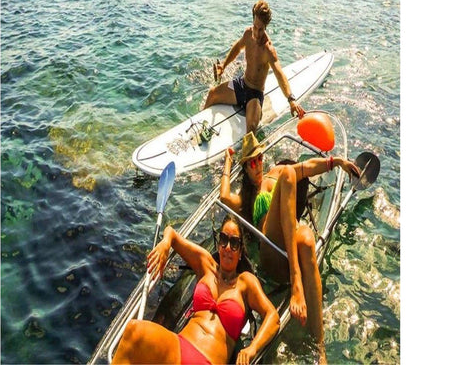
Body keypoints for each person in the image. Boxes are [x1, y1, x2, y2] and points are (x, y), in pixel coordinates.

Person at [219, 132, 361, 364]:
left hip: (293, 246)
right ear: (245, 168)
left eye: (260, 158)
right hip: (272, 252)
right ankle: (297, 283)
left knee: (306, 238)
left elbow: (308, 167)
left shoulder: (275, 173)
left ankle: (320, 349)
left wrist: (337, 162)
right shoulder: (246, 197)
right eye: (251, 163)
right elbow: (224, 197)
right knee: (289, 173)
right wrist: (227, 161)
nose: (258, 165)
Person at [112, 214, 280, 365]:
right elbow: (172, 233)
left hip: (208, 359)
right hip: (180, 345)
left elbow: (273, 317)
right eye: (223, 239)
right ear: (218, 244)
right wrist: (165, 244)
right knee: (133, 330)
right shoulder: (206, 265)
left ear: (241, 251)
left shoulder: (245, 282)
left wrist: (252, 349)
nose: (228, 247)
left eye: (234, 242)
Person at [203, 0, 305, 135]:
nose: (256, 33)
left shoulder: (268, 50)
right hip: (241, 85)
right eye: (255, 27)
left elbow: (279, 74)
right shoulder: (248, 34)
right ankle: (201, 124)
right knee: (212, 94)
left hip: (254, 95)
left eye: (260, 29)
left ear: (266, 26)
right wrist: (223, 65)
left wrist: (291, 100)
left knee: (251, 129)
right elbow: (237, 47)